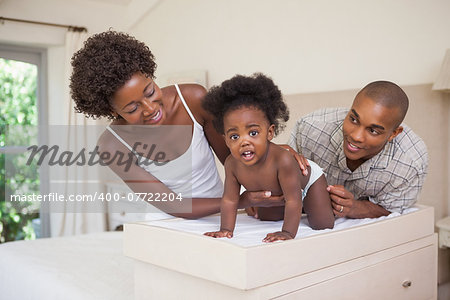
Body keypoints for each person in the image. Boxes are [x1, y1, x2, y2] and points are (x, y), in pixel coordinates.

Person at [69, 30, 289, 219]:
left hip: (220, 213)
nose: (150, 109)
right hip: (166, 222)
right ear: (111, 111)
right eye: (132, 108)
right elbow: (175, 205)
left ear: (150, 75)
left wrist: (281, 156)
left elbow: (236, 160)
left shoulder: (193, 100)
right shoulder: (112, 146)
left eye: (150, 91)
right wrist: (238, 202)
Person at [203, 73, 335, 242]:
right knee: (267, 218)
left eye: (253, 133)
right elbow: (229, 200)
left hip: (308, 182)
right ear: (225, 139)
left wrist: (287, 232)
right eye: (234, 136)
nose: (244, 142)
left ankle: (317, 201)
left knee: (323, 224)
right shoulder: (231, 164)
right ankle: (303, 208)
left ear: (270, 132)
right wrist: (225, 229)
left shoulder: (283, 160)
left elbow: (293, 200)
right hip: (280, 191)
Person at [288, 81, 428, 219]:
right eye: (354, 119)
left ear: (394, 134)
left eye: (373, 131)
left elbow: (394, 212)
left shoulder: (410, 162)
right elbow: (283, 181)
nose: (356, 136)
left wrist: (354, 208)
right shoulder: (309, 129)